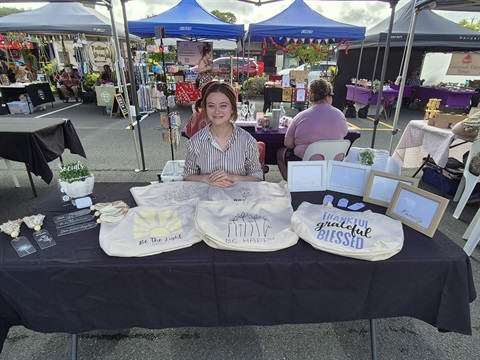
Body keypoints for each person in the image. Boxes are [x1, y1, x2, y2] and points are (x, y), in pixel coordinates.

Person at [183, 81, 263, 187]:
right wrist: (205, 178)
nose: (217, 111)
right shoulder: (195, 142)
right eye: (211, 106)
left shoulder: (247, 141)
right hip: (206, 200)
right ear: (205, 109)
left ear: (232, 109)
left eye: (223, 106)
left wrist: (234, 177)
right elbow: (188, 175)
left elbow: (257, 176)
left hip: (239, 200)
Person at [276, 78, 349, 181]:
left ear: (311, 97)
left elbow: (288, 143)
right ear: (328, 97)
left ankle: (291, 184)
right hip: (334, 161)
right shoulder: (340, 115)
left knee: (280, 153)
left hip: (305, 160)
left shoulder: (301, 116)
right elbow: (344, 134)